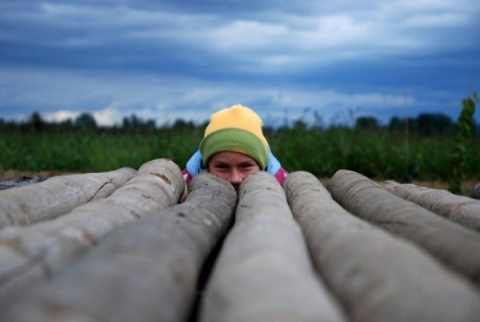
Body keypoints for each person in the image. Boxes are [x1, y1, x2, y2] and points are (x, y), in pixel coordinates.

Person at [182, 104, 288, 193]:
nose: (235, 179)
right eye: (222, 167)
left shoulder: (282, 184)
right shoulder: (184, 185)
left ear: (262, 164)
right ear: (206, 165)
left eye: (246, 166)